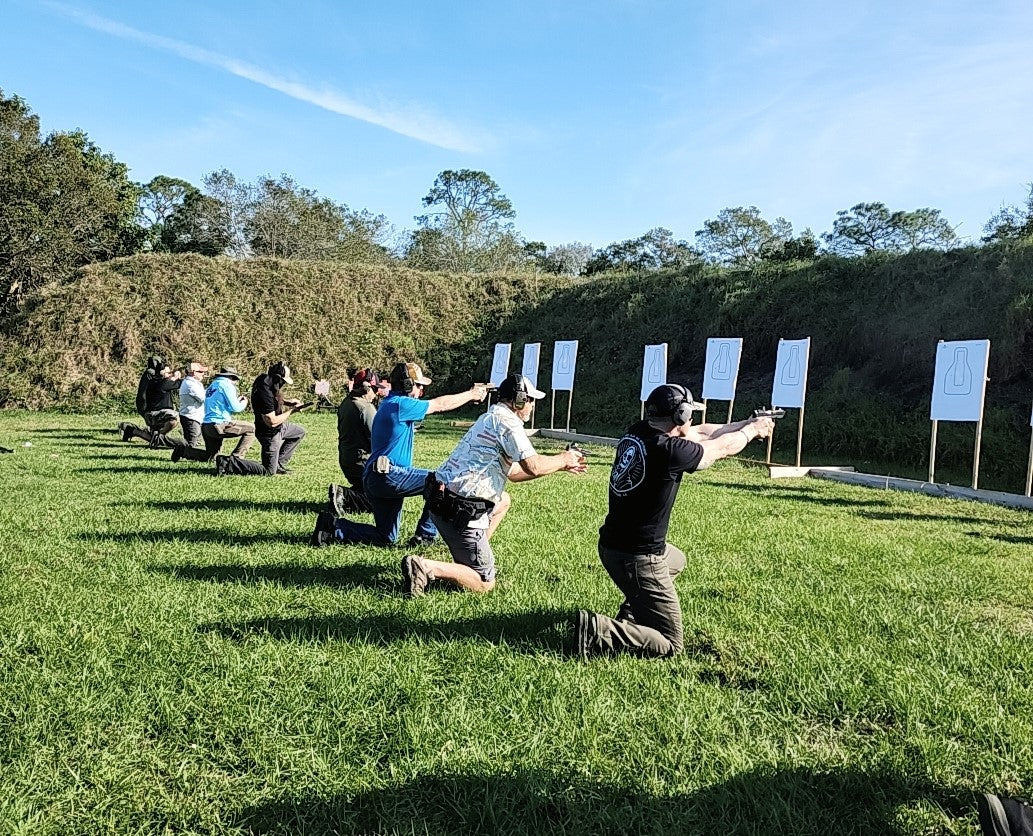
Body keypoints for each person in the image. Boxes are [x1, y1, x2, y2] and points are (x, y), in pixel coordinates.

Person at [573, 383, 775, 659]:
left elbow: (703, 432)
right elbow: (722, 447)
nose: (692, 419)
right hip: (639, 558)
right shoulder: (670, 451)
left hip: (613, 545)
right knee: (670, 644)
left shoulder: (638, 431)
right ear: (680, 416)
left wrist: (747, 422)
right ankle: (597, 630)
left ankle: (633, 615)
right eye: (690, 414)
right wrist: (752, 432)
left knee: (676, 560)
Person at [399, 373, 587, 597]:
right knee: (484, 583)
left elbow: (514, 473)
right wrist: (564, 458)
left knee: (503, 500)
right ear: (519, 400)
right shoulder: (509, 424)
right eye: (530, 400)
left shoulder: (490, 417)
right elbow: (534, 466)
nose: (532, 405)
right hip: (460, 511)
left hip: (440, 504)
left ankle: (471, 557)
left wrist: (558, 466)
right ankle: (426, 566)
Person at [312, 362, 487, 548]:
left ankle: (332, 527)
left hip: (378, 476)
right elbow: (440, 405)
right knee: (440, 482)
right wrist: (472, 394)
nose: (421, 390)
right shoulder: (400, 404)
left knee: (386, 537)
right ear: (407, 384)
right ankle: (425, 537)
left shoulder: (391, 403)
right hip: (387, 475)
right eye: (418, 385)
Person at [217, 361, 305, 476]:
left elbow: (273, 400)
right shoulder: (265, 392)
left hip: (279, 428)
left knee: (298, 432)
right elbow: (272, 422)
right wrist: (292, 411)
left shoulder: (265, 380)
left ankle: (277, 464)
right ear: (277, 378)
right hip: (269, 434)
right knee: (268, 472)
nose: (283, 384)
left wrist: (288, 402)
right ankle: (228, 462)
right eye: (283, 381)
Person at [172, 367, 256, 464]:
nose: (235, 382)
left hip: (206, 426)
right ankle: (236, 459)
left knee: (211, 456)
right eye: (235, 379)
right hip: (219, 425)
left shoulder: (212, 386)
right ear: (231, 377)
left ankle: (183, 451)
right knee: (252, 429)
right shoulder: (226, 385)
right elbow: (236, 408)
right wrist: (244, 402)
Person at [328, 368, 381, 515]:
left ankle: (352, 494)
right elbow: (376, 439)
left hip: (348, 461)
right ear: (367, 388)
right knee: (384, 503)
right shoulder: (366, 408)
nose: (376, 393)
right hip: (362, 465)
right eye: (375, 389)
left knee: (367, 491)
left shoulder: (346, 403)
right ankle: (345, 496)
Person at [121, 359, 182, 447]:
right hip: (156, 415)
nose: (170, 374)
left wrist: (172, 378)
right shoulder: (163, 383)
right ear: (162, 373)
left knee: (152, 437)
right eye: (169, 373)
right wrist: (176, 377)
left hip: (151, 415)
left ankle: (133, 431)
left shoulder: (154, 381)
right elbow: (181, 383)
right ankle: (157, 438)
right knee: (173, 420)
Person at [177, 361, 208, 449]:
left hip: (194, 417)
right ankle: (160, 439)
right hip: (191, 417)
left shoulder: (195, 383)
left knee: (193, 444)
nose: (203, 374)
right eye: (201, 372)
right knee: (191, 444)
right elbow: (203, 399)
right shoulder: (190, 384)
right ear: (193, 372)